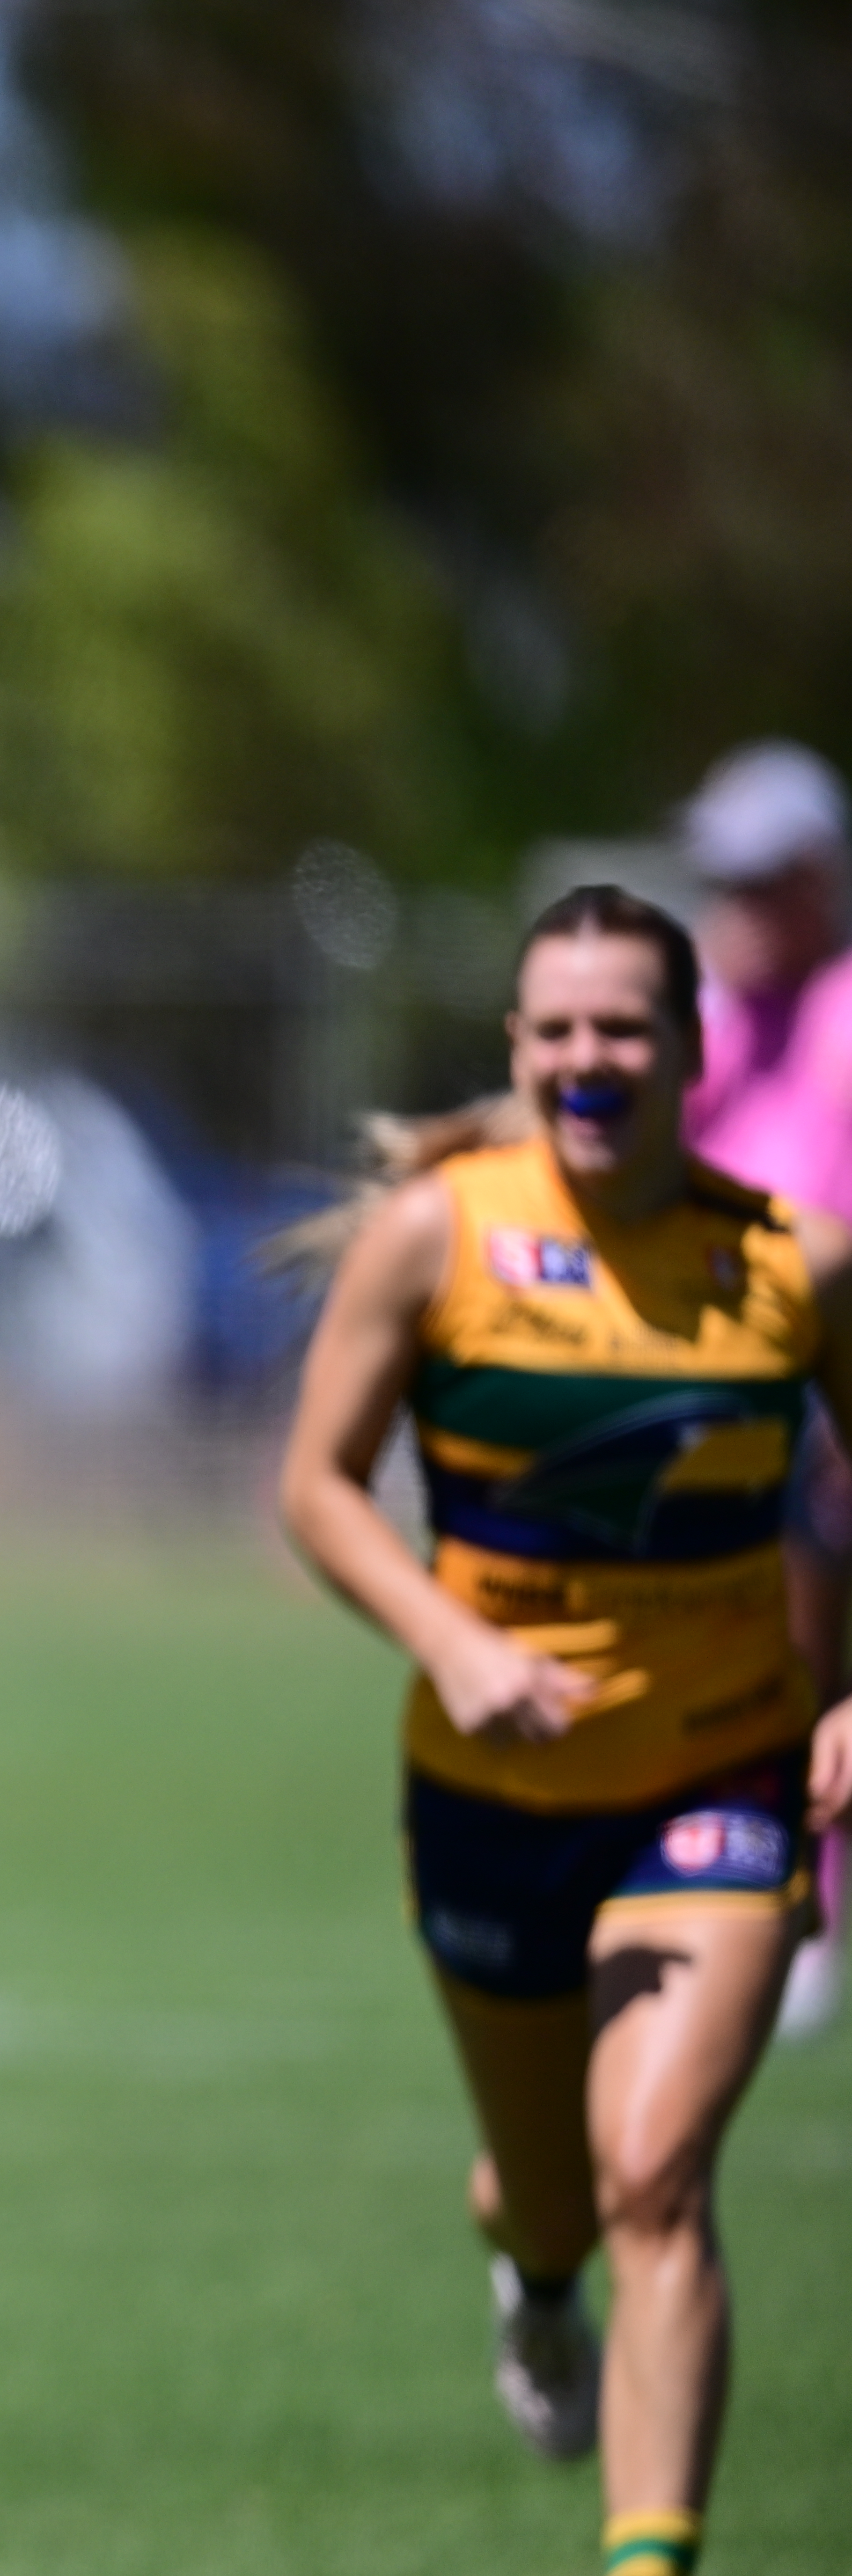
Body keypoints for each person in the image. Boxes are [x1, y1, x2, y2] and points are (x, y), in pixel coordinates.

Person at [279, 885, 852, 2576]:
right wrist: (451, 1641)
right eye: (557, 1030)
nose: (589, 1058)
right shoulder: (437, 1238)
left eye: (624, 1028)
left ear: (690, 1051)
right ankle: (534, 2279)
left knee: (655, 2171)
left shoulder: (795, 1262)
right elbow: (316, 1486)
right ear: (520, 1050)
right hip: (492, 1797)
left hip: (721, 1774)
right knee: (553, 2197)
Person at [675, 740, 852, 2039]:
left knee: (806, 1656)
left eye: (759, 884)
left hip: (819, 1394)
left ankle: (806, 1901)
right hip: (715, 1391)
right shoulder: (714, 1024)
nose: (738, 909)